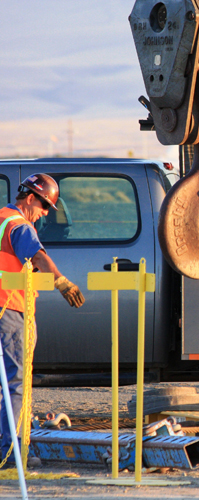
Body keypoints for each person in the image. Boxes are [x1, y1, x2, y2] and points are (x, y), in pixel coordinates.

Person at [0, 174, 85, 464]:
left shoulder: (2, 218)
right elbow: (36, 256)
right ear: (31, 198)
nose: (46, 213)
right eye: (45, 205)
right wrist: (62, 282)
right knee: (17, 381)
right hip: (10, 310)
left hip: (5, 308)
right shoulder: (19, 226)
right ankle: (12, 452)